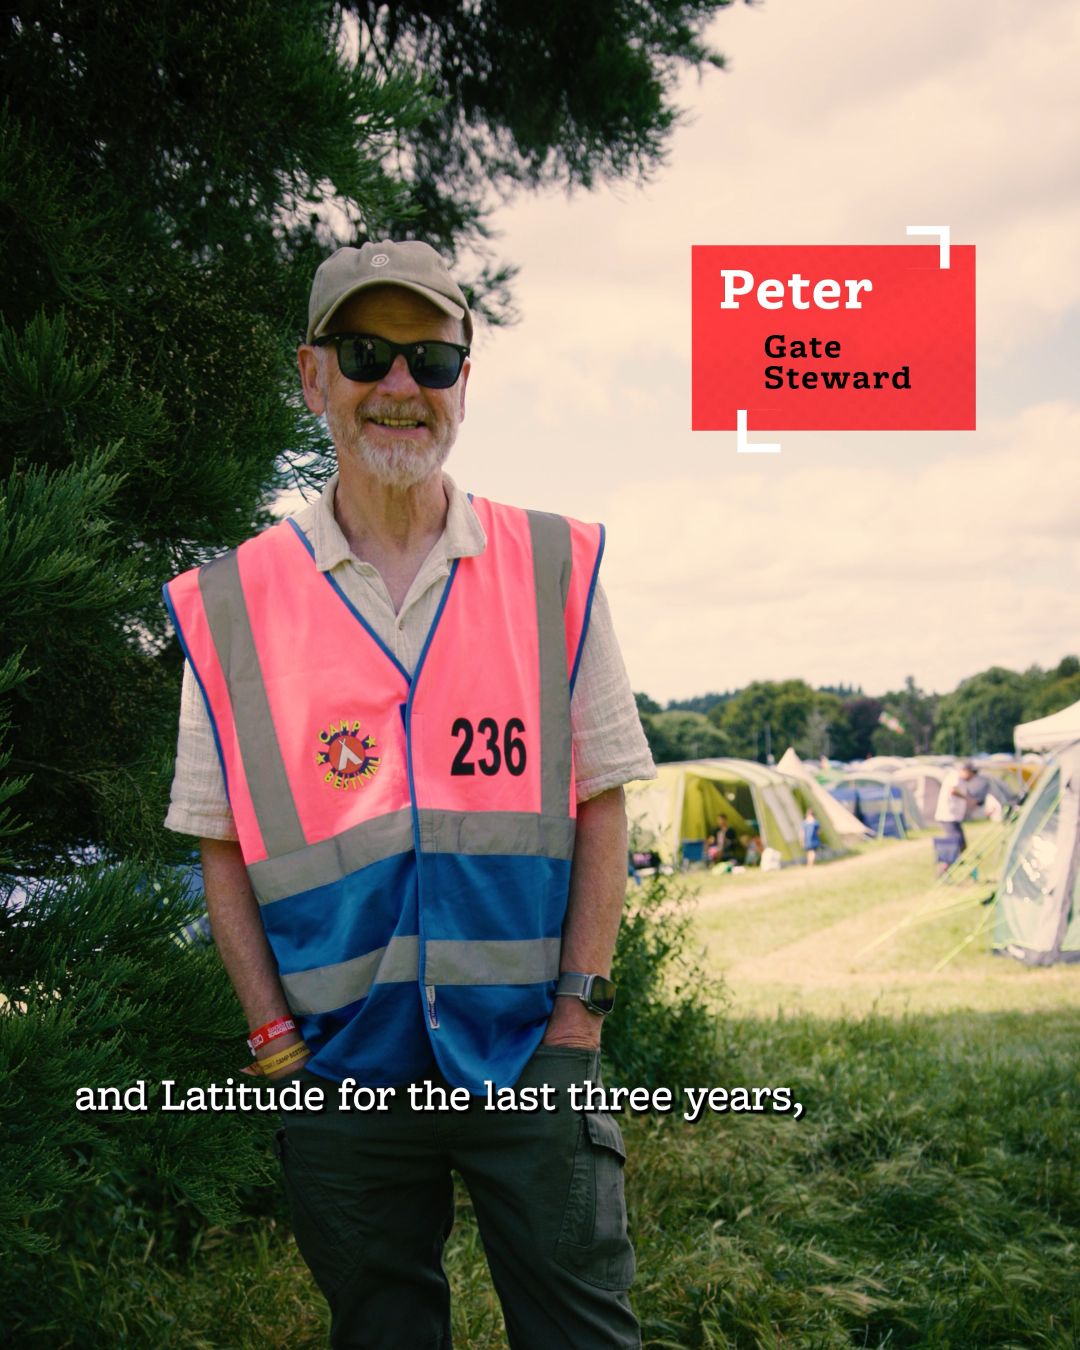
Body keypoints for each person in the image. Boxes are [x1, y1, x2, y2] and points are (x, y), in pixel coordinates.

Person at [163, 240, 655, 1349]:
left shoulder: (554, 565)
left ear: (463, 384)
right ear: (313, 376)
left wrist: (577, 1018)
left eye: (429, 360)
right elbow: (219, 842)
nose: (399, 385)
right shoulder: (228, 603)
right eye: (365, 354)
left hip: (531, 1053)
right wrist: (276, 1048)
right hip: (339, 1072)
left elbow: (603, 799)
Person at [934, 761, 976, 858]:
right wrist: (966, 798)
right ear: (966, 770)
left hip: (954, 816)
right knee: (956, 841)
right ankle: (947, 862)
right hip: (947, 816)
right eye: (971, 773)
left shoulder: (962, 780)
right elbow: (952, 790)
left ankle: (955, 860)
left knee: (961, 843)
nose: (971, 776)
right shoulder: (954, 776)